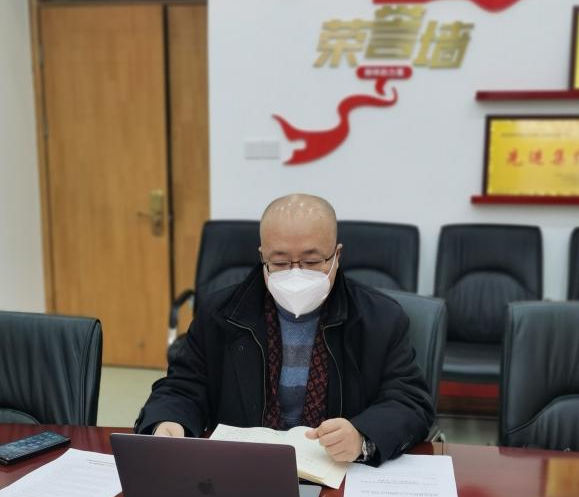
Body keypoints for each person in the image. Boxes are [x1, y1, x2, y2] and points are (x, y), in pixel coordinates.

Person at [135, 194, 434, 465]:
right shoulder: (220, 314)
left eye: (312, 261)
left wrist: (361, 435)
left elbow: (410, 402)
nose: (295, 273)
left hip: (338, 471)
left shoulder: (380, 318)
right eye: (279, 262)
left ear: (337, 255)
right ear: (262, 256)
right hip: (242, 469)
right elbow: (183, 387)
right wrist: (168, 421)